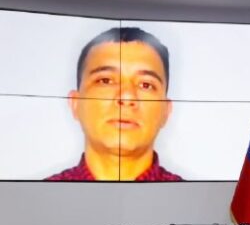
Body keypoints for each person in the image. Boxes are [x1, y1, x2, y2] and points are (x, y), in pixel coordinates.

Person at [47, 27, 182, 181]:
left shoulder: (193, 195)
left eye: (145, 85)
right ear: (75, 104)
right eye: (105, 81)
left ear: (166, 112)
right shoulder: (37, 195)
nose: (126, 97)